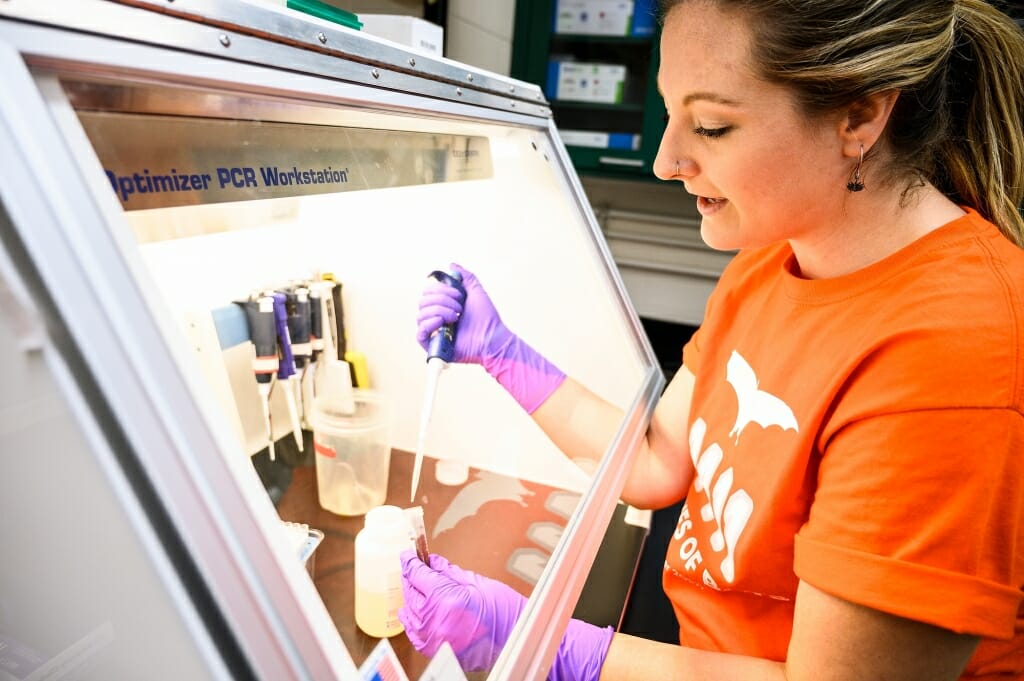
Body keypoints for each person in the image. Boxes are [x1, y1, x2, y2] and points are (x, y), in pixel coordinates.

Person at [401, 0, 1024, 679]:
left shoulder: (951, 356)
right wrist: (503, 354)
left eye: (711, 125)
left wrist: (551, 647)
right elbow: (655, 460)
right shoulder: (772, 256)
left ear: (859, 116)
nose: (667, 160)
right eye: (670, 114)